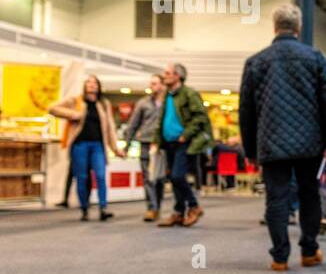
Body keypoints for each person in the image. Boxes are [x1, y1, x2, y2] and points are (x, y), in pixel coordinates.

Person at [238, 3, 326, 271]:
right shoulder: (315, 58)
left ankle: (279, 257)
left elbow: (246, 110)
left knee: (276, 198)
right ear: (298, 28)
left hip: (271, 142)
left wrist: (250, 150)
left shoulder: (256, 61)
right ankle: (309, 251)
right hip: (309, 143)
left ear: (274, 27)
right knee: (309, 195)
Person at [49, 75, 124, 221]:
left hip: (98, 145)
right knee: (82, 177)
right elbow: (52, 109)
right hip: (80, 145)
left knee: (101, 175)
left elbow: (110, 127)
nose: (91, 85)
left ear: (98, 86)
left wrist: (115, 148)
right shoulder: (76, 101)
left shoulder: (103, 104)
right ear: (84, 86)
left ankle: (103, 208)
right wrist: (73, 115)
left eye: (94, 82)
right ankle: (84, 208)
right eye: (88, 82)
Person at [152, 61, 211, 227]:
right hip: (168, 143)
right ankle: (178, 212)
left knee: (178, 176)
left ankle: (194, 206)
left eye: (168, 73)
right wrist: (156, 141)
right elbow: (161, 121)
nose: (164, 76)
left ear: (178, 76)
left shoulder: (189, 93)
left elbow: (200, 116)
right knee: (173, 177)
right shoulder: (167, 96)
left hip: (184, 143)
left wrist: (185, 135)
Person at [123, 74, 165, 220]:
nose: (152, 86)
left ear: (162, 85)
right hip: (146, 143)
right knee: (148, 177)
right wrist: (127, 145)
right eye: (151, 83)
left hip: (162, 145)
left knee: (160, 178)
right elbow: (133, 124)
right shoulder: (143, 103)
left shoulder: (168, 102)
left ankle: (157, 206)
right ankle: (151, 208)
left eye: (155, 83)